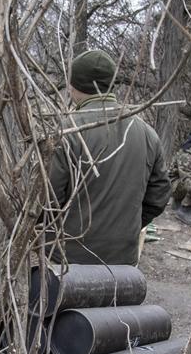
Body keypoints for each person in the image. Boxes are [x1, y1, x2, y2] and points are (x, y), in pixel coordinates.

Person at [47, 49, 171, 265]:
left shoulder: (66, 131)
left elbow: (48, 201)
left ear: (74, 86)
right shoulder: (145, 131)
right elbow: (159, 194)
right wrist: (127, 227)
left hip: (67, 260)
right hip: (123, 260)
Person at [170, 132, 191, 225]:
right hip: (175, 185)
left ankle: (186, 203)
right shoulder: (187, 152)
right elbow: (186, 180)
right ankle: (184, 210)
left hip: (187, 182)